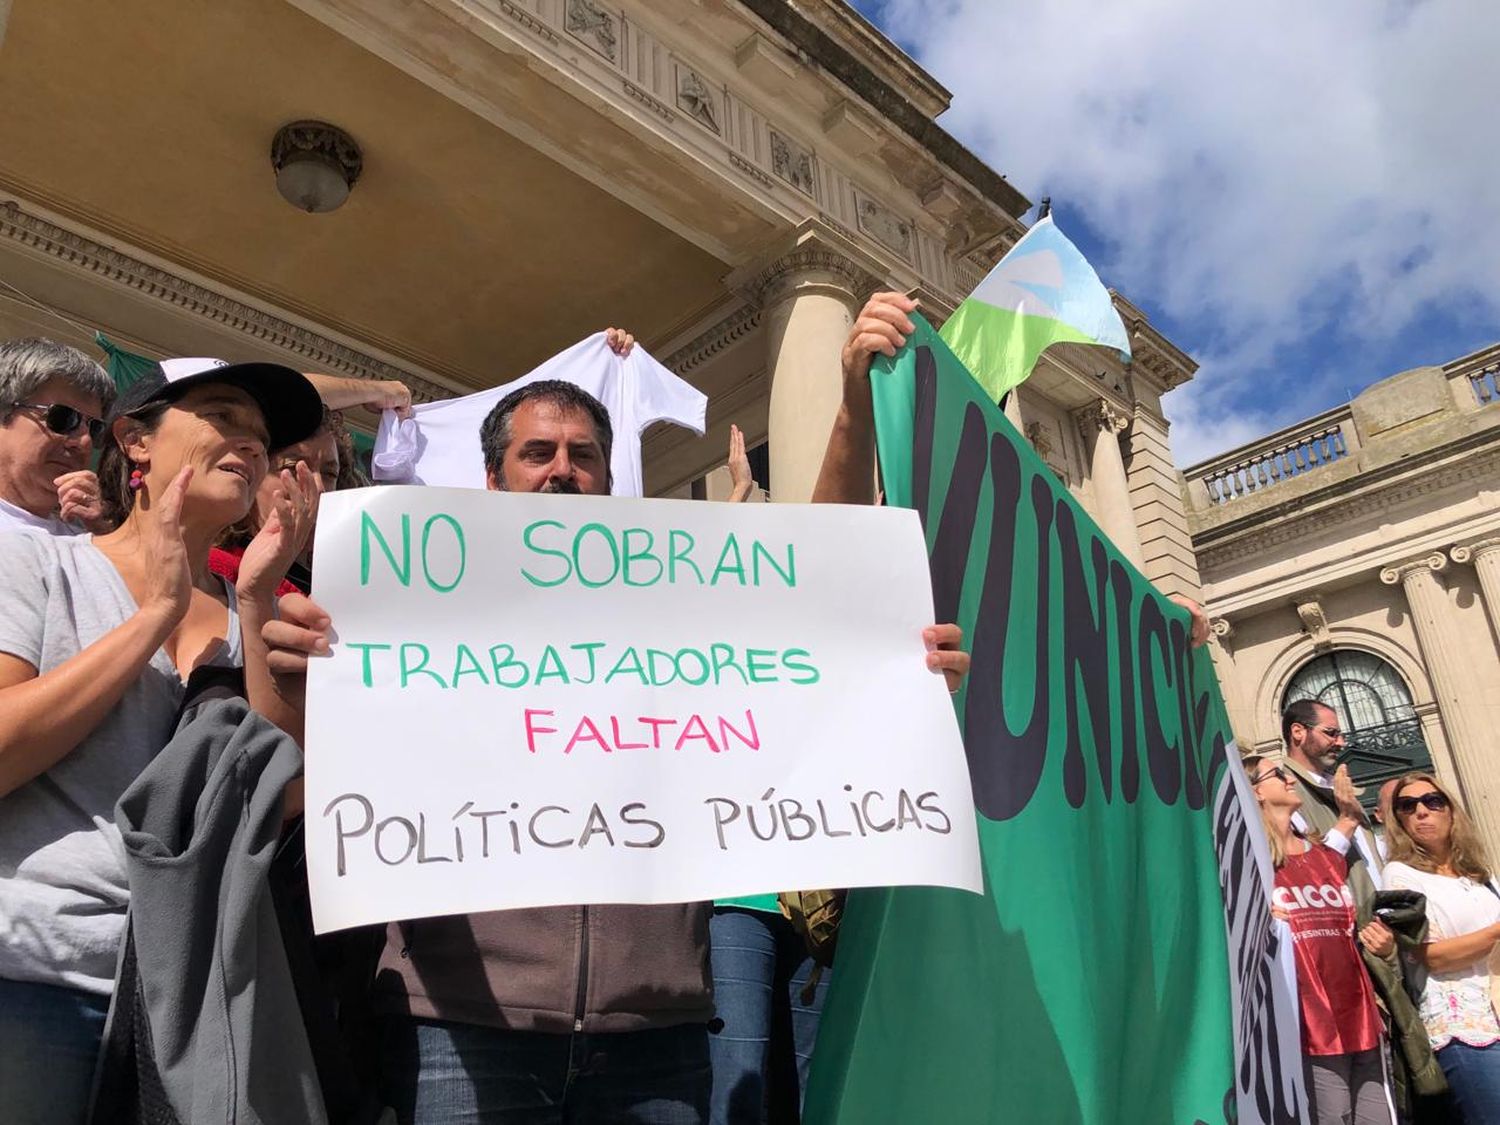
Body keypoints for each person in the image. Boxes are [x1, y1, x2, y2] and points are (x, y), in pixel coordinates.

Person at [261, 330, 971, 1123]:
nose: (562, 468)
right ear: (491, 476)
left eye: (583, 454)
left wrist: (885, 661)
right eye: (538, 453)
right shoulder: (408, 610)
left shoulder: (673, 610)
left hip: (655, 1037)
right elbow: (290, 792)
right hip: (460, 1025)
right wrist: (292, 668)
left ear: (607, 477)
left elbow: (813, 584)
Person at [0, 355, 323, 1123]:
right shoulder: (39, 563)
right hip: (34, 980)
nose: (250, 443)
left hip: (195, 1005)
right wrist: (156, 613)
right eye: (223, 415)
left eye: (262, 436)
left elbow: (270, 813)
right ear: (135, 444)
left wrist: (252, 602)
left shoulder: (264, 614)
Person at [1247, 752, 1396, 1125]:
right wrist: (1258, 918)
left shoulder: (1323, 856)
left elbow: (1346, 825)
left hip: (1360, 1015)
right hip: (1309, 1027)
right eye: (1278, 774)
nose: (1290, 779)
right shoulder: (1251, 867)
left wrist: (1347, 808)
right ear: (1255, 792)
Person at [1383, 773, 1500, 1122]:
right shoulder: (1400, 875)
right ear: (1399, 820)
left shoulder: (1482, 877)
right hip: (1461, 1027)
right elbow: (1434, 957)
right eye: (1408, 806)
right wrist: (1496, 931)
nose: (1422, 811)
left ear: (1451, 810)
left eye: (1433, 801)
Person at [0, 338, 115, 534]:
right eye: (64, 418)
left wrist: (106, 535)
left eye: (95, 428)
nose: (84, 441)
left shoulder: (90, 536)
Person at [1281, 699, 1384, 907]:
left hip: (1381, 925)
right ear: (1298, 732)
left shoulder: (1339, 785)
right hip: (1345, 928)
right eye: (1331, 733)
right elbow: (1305, 870)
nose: (1340, 743)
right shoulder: (1287, 793)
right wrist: (1347, 820)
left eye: (1341, 735)